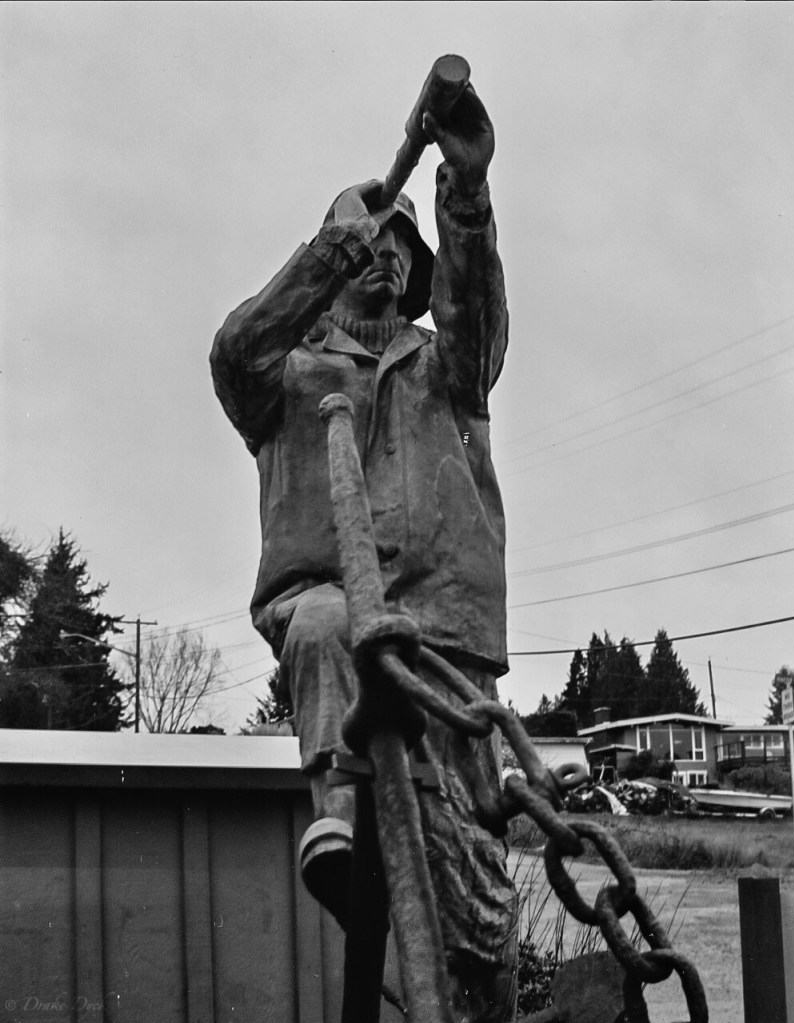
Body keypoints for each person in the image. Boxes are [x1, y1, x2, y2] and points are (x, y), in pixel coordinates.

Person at [211, 84, 516, 1021]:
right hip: (332, 610)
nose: (386, 258)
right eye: (371, 245)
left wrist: (464, 189)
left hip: (446, 640)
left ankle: (479, 987)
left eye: (399, 248)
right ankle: (334, 819)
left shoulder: (441, 364)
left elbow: (479, 335)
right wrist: (339, 232)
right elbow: (232, 350)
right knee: (332, 621)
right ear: (341, 259)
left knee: (474, 908)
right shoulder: (287, 370)